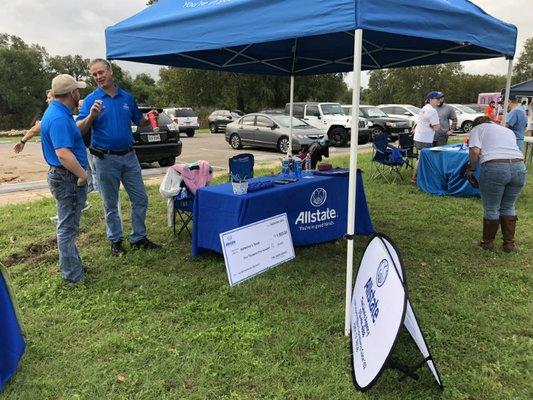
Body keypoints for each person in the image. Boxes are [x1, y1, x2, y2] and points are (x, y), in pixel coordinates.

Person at [77, 58, 161, 255]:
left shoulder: (127, 97)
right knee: (111, 204)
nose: (99, 77)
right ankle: (115, 241)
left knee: (140, 198)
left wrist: (150, 118)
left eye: (101, 72)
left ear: (110, 71)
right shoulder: (91, 100)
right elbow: (79, 130)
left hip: (129, 157)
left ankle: (138, 237)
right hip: (104, 159)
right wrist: (91, 116)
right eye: (95, 74)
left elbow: (138, 121)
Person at [40, 74, 90, 283]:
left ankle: (73, 265)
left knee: (68, 225)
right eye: (77, 89)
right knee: (67, 228)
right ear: (72, 93)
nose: (79, 92)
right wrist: (82, 174)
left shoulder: (57, 111)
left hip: (64, 176)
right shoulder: (60, 117)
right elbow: (63, 153)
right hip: (67, 177)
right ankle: (73, 276)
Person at [465, 116, 526, 252]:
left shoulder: (477, 129)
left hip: (495, 166)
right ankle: (509, 244)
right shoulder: (506, 130)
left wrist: (471, 168)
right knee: (509, 205)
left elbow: (475, 151)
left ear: (476, 124)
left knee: (492, 207)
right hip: (519, 166)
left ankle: (487, 243)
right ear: (491, 121)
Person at [411, 91, 441, 183]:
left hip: (418, 137)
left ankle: (417, 176)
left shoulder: (424, 108)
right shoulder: (432, 111)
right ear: (430, 99)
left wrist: (431, 125)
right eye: (437, 99)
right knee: (422, 158)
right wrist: (435, 126)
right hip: (425, 138)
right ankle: (415, 177)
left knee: (421, 157)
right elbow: (436, 127)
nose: (439, 100)